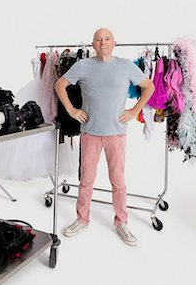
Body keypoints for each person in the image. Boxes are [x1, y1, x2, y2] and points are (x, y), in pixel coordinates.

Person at [54, 28, 155, 245]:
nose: (103, 42)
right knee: (86, 179)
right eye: (99, 39)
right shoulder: (82, 65)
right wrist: (72, 110)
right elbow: (59, 85)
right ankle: (82, 219)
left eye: (107, 39)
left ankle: (122, 222)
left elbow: (149, 86)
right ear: (93, 44)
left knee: (118, 181)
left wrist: (135, 110)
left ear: (114, 43)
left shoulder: (126, 66)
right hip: (90, 132)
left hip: (117, 134)